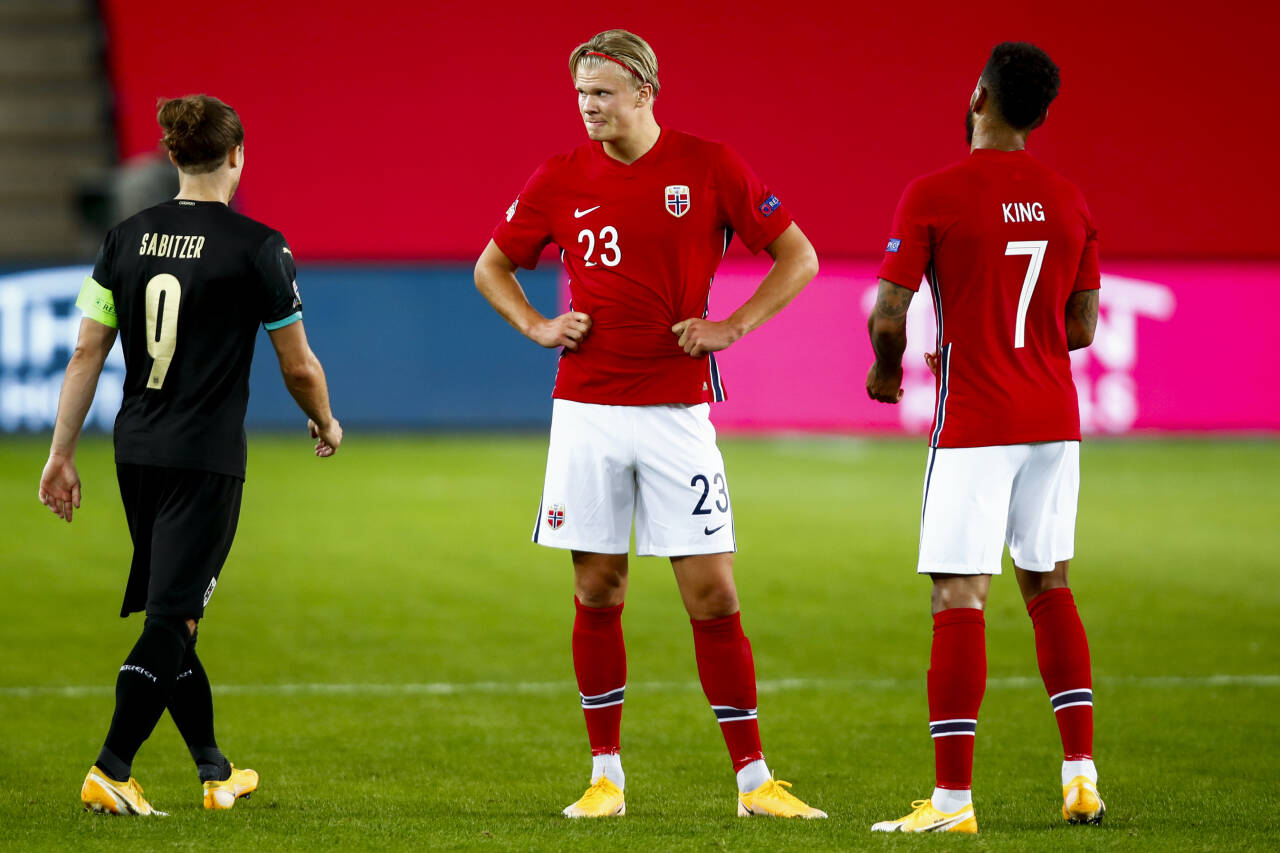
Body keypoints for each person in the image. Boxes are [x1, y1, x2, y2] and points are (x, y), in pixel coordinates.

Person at [475, 29, 824, 819]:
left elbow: (796, 256)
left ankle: (754, 781)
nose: (589, 107)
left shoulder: (710, 165)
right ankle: (606, 777)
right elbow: (491, 264)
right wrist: (536, 324)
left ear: (644, 92)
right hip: (588, 410)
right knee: (598, 586)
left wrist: (730, 327)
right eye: (580, 95)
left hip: (676, 413)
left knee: (714, 593)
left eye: (601, 92)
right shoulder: (560, 175)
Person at [39, 94, 342, 816]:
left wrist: (60, 454)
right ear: (237, 155)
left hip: (135, 448)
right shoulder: (260, 246)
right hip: (205, 456)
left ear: (172, 156)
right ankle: (112, 766)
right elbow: (298, 366)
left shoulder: (123, 238)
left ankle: (216, 768)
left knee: (177, 613)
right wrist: (324, 419)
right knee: (171, 620)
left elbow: (87, 349)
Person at [863, 43, 1103, 833]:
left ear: (978, 97)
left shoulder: (934, 193)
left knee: (957, 593)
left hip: (974, 422)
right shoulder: (1069, 199)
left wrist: (888, 374)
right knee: (1049, 583)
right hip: (1053, 424)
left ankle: (953, 802)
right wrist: (1013, 341)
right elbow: (1079, 325)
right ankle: (1080, 777)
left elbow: (889, 312)